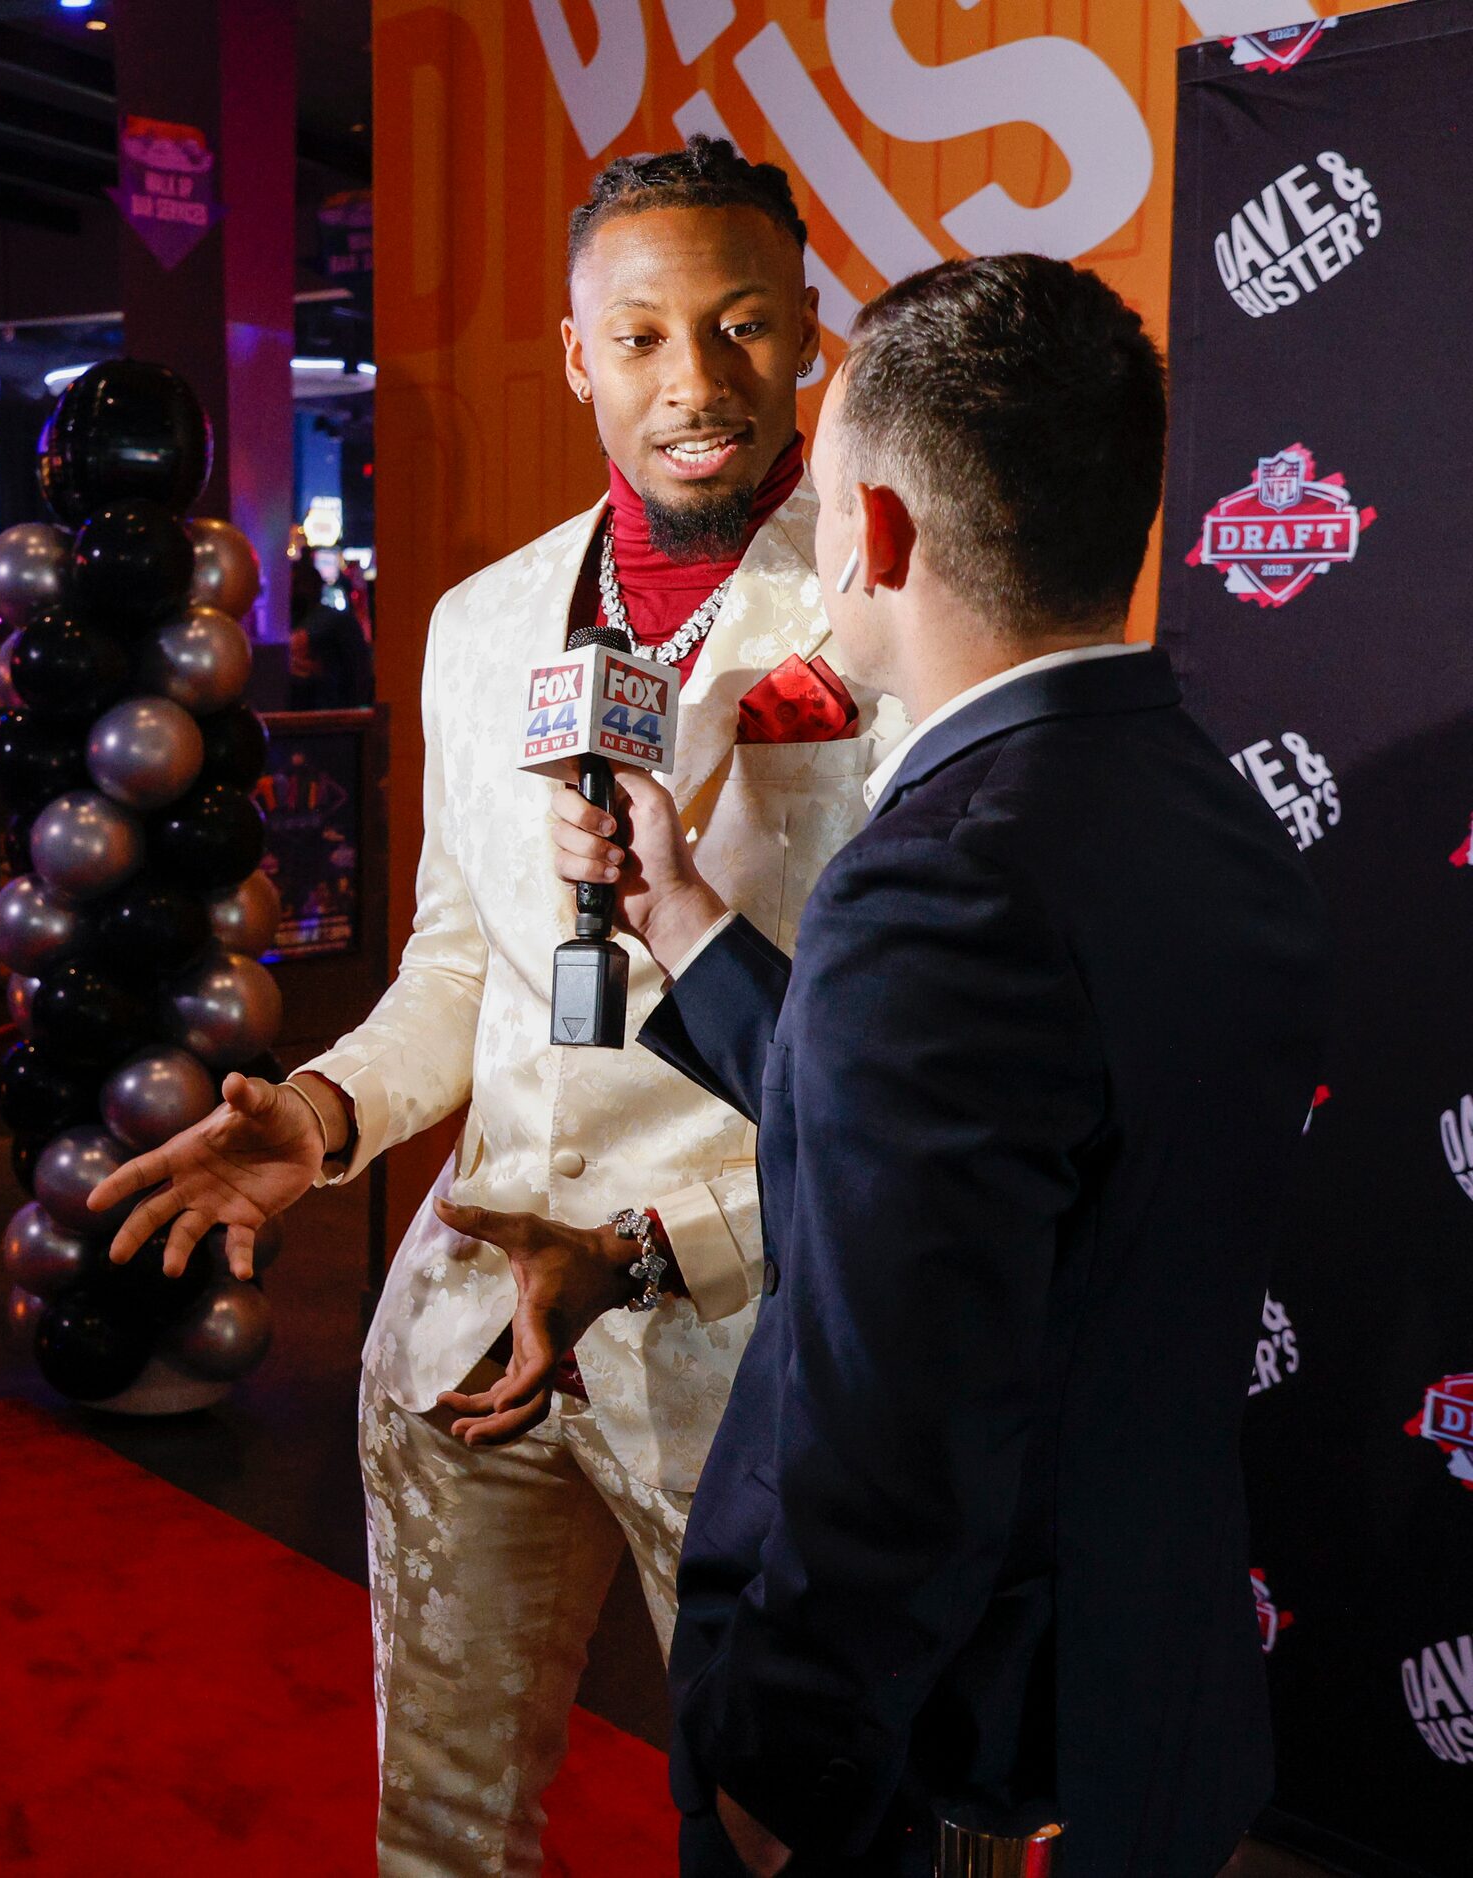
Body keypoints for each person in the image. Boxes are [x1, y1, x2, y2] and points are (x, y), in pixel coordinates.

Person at [88, 139, 898, 1874]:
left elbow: (906, 1071)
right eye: (644, 336)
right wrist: (314, 1113)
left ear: (813, 335)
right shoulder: (481, 623)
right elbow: (457, 966)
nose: (696, 384)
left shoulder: (892, 612)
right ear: (571, 350)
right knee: (443, 1828)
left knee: (789, 1838)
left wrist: (656, 1238)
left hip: (756, 1348)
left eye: (746, 327)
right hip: (465, 1306)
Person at [548, 257, 1328, 1875]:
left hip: (948, 1758)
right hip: (1156, 1696)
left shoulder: (948, 876)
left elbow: (892, 1414)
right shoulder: (1204, 808)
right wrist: (684, 916)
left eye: (824, 492)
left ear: (877, 530)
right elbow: (970, 1167)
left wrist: (785, 1773)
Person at [284, 557, 374, 709]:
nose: (292, 591)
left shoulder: (330, 620)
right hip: (342, 714)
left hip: (329, 714)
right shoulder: (334, 618)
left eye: (297, 584)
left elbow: (299, 641)